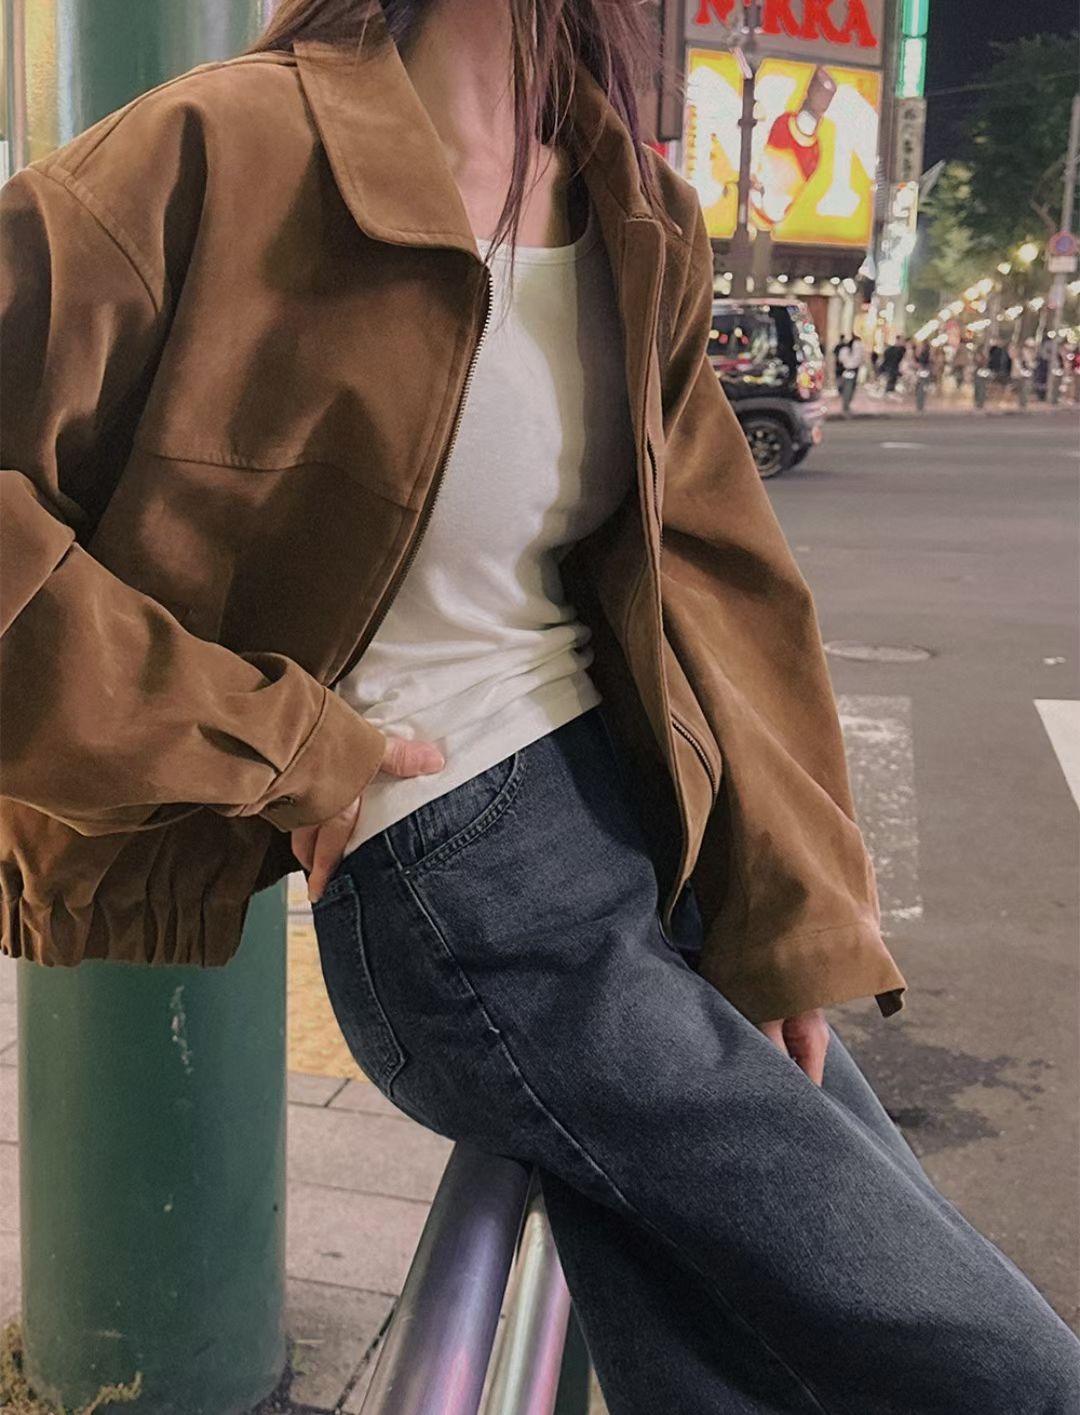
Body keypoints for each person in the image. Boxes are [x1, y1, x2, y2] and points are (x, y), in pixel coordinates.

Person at [2, 2, 1078, 1409]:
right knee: (996, 1363)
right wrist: (274, 744)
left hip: (644, 836)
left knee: (723, 1353)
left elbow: (716, 583)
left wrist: (781, 912)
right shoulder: (227, 144)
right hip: (465, 882)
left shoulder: (637, 213)